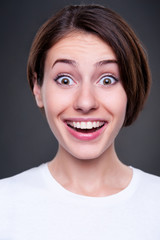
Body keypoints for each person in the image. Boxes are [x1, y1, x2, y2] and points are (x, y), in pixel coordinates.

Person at [0, 4, 160, 240]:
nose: (85, 103)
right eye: (65, 80)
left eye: (107, 80)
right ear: (38, 87)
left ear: (131, 87)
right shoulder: (5, 204)